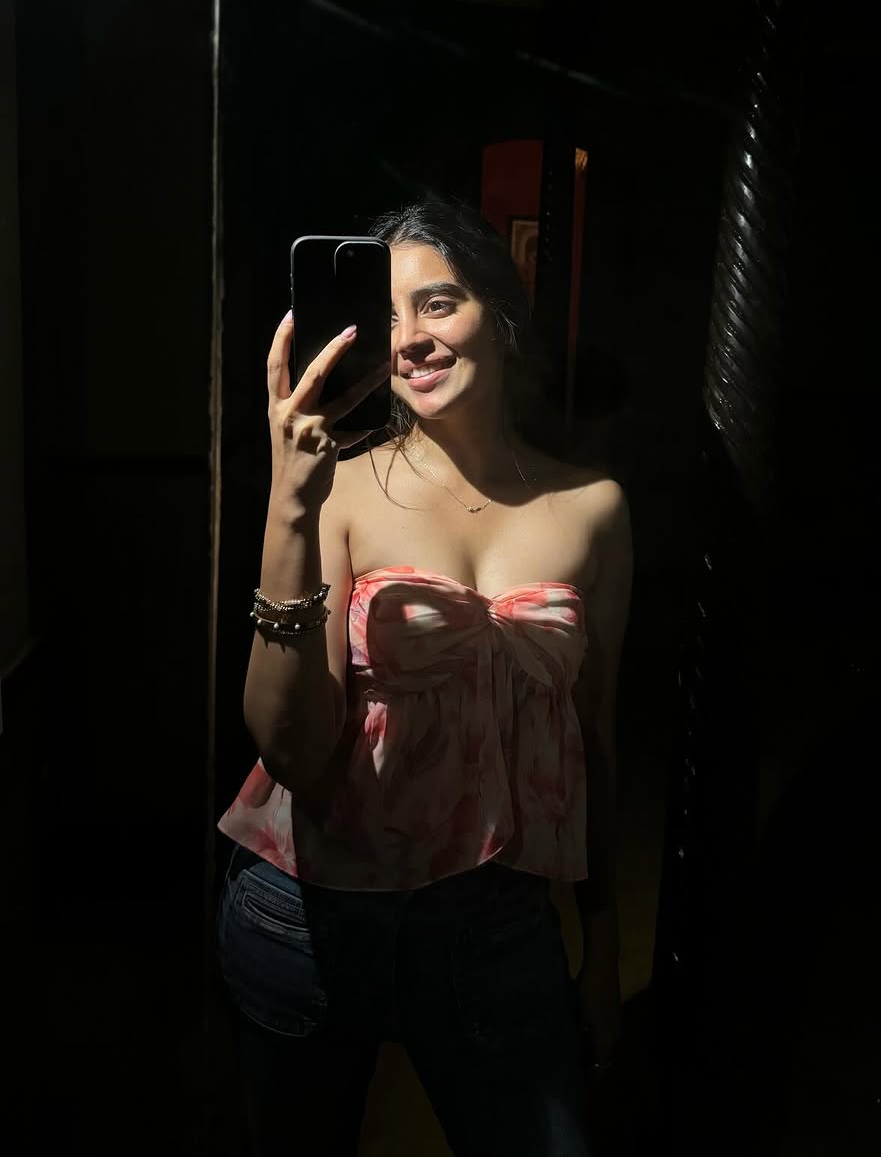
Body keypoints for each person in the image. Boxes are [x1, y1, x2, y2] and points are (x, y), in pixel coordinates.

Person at [215, 197, 634, 1157]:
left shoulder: (594, 509)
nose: (408, 339)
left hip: (497, 918)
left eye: (438, 303)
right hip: (311, 916)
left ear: (502, 315)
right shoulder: (341, 490)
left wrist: (604, 944)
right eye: (388, 314)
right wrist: (289, 502)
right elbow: (290, 752)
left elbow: (595, 736)